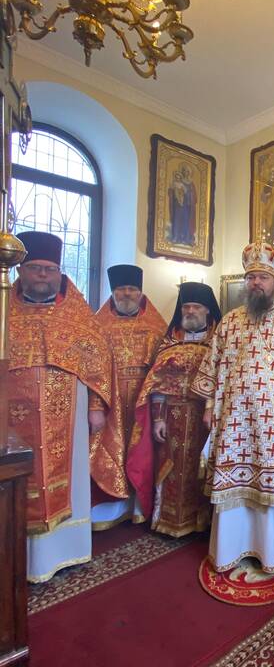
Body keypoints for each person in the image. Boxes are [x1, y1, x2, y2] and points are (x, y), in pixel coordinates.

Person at [8, 231, 127, 582]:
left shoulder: (78, 317)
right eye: (35, 267)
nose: (42, 275)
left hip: (68, 419)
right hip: (11, 420)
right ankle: (15, 553)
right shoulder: (3, 310)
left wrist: (96, 406)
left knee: (69, 481)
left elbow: (98, 363)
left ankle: (66, 552)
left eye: (49, 269)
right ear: (20, 271)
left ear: (59, 273)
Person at [191, 242, 274, 573]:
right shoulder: (229, 322)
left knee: (269, 478)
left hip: (271, 420)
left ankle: (270, 551)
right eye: (251, 277)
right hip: (232, 418)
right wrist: (209, 405)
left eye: (263, 277)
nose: (256, 282)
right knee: (232, 478)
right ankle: (230, 548)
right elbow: (213, 366)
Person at [127, 282, 221, 537]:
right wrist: (158, 419)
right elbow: (156, 384)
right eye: (186, 306)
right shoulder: (168, 343)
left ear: (208, 310)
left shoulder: (218, 343)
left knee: (200, 467)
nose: (190, 311)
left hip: (204, 416)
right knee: (169, 467)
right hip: (172, 416)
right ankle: (167, 519)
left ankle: (200, 521)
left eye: (196, 307)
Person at [94, 264, 166, 526]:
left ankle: (138, 507)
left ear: (140, 292)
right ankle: (110, 510)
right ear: (113, 292)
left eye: (132, 289)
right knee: (111, 450)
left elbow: (163, 367)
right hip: (110, 399)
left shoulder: (156, 327)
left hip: (143, 400)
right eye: (121, 289)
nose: (127, 294)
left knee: (141, 452)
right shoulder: (97, 326)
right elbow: (91, 368)